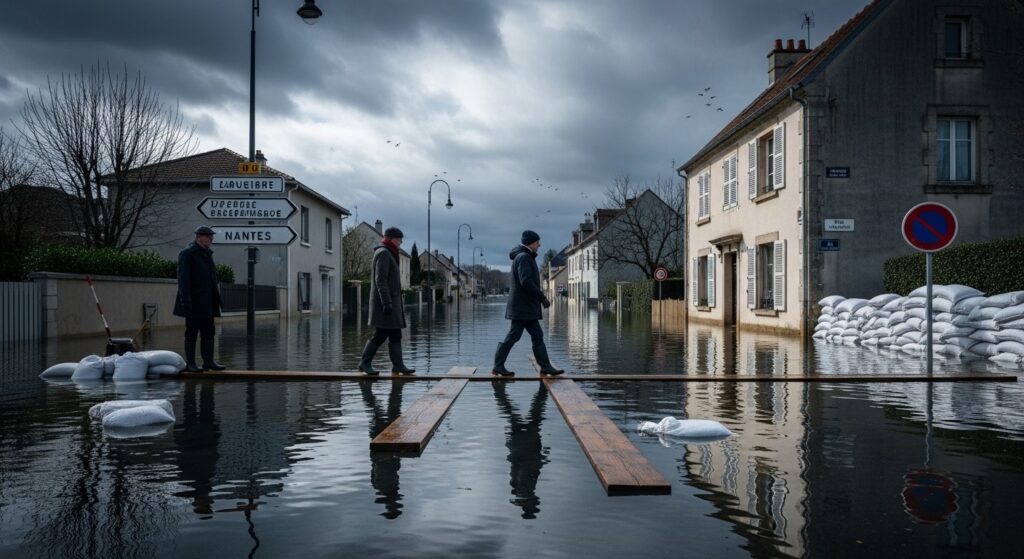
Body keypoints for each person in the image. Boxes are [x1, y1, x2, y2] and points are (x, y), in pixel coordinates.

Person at [492, 230, 565, 376]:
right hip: (522, 308)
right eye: (537, 242)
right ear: (531, 243)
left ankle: (545, 367)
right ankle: (498, 366)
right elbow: (526, 282)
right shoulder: (524, 257)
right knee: (514, 335)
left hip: (525, 307)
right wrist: (542, 298)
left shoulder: (523, 256)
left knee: (536, 335)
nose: (539, 245)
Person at [358, 226, 415, 375]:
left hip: (391, 303)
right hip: (385, 304)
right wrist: (386, 303)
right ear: (391, 239)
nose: (401, 242)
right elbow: (380, 280)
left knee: (396, 334)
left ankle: (398, 366)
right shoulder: (383, 253)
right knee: (381, 334)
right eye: (399, 239)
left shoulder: (389, 252)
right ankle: (364, 363)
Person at [173, 225, 226, 372]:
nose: (211, 238)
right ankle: (190, 364)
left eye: (211, 236)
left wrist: (217, 299)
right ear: (199, 237)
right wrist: (186, 301)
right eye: (208, 236)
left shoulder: (207, 253)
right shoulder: (188, 253)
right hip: (194, 302)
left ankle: (208, 362)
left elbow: (211, 279)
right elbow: (183, 279)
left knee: (209, 332)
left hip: (208, 301)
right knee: (192, 332)